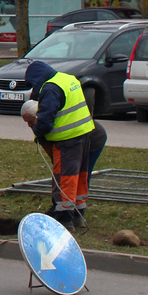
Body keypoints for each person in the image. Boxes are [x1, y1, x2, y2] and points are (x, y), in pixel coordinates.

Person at [21, 60, 99, 229]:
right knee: (80, 176)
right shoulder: (67, 79)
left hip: (67, 140)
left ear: (37, 78)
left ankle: (64, 218)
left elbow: (46, 120)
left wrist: (38, 130)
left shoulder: (49, 89)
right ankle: (79, 216)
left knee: (64, 178)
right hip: (84, 135)